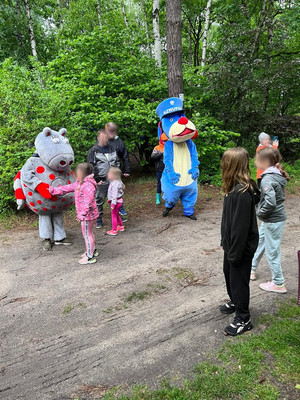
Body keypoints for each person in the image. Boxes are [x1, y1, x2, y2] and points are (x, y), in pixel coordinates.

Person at [220, 147, 259, 336]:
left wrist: (235, 253)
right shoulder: (231, 188)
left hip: (240, 248)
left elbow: (240, 228)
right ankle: (235, 301)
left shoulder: (241, 193)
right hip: (231, 246)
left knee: (238, 282)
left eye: (224, 161)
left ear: (232, 165)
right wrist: (225, 243)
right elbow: (228, 221)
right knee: (228, 275)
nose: (221, 164)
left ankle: (244, 318)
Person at [251, 148, 289, 293]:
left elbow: (270, 202)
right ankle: (252, 268)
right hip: (272, 219)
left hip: (273, 220)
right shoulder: (275, 175)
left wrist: (260, 213)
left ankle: (278, 283)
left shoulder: (268, 178)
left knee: (272, 251)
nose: (255, 162)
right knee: (260, 241)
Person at [49, 163, 99, 265]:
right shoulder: (79, 184)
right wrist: (52, 190)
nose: (75, 175)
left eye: (77, 173)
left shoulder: (88, 186)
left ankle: (90, 257)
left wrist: (82, 215)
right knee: (89, 234)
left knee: (87, 235)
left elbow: (88, 202)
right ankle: (92, 251)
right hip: (86, 215)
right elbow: (66, 188)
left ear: (83, 174)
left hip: (87, 216)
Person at [87, 129, 119, 229]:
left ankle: (117, 219)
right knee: (99, 199)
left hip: (113, 179)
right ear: (98, 137)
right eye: (103, 137)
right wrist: (96, 179)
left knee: (116, 198)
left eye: (106, 137)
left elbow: (117, 162)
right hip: (101, 180)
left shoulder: (112, 148)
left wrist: (117, 176)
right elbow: (91, 166)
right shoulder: (93, 150)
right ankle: (99, 218)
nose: (105, 139)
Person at [105, 122, 130, 219]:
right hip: (104, 171)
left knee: (117, 190)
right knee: (103, 192)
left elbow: (125, 156)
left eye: (112, 131)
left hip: (115, 171)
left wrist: (127, 170)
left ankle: (120, 208)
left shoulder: (119, 142)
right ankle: (99, 214)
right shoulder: (103, 141)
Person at [106, 167, 125, 236]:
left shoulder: (114, 184)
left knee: (113, 215)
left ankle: (114, 230)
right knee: (116, 214)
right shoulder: (117, 182)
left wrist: (113, 204)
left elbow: (114, 195)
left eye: (109, 174)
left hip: (116, 202)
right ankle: (121, 226)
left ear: (113, 175)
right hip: (119, 202)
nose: (107, 175)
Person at [150, 133, 167, 205]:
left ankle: (167, 198)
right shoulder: (157, 148)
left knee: (167, 183)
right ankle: (158, 199)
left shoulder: (170, 147)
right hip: (159, 168)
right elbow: (153, 157)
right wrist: (161, 153)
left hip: (168, 169)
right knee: (159, 183)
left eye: (166, 140)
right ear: (161, 140)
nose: (165, 142)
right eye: (164, 140)